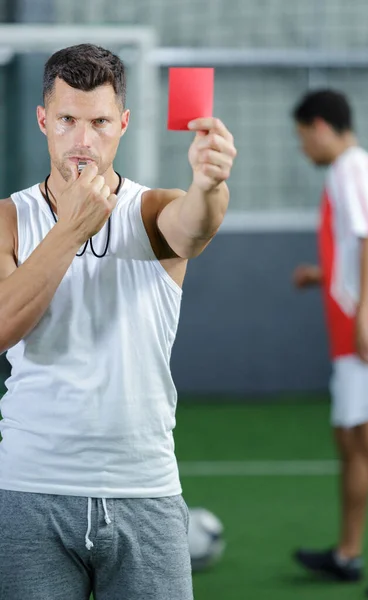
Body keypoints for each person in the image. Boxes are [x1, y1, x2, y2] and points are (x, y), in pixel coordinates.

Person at [0, 44, 236, 600]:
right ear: (43, 121)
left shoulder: (153, 210)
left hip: (144, 490)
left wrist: (210, 184)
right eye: (68, 120)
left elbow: (196, 225)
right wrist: (71, 227)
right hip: (30, 490)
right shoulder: (9, 219)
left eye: (100, 122)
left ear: (123, 124)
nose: (84, 140)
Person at [291, 89, 368, 597]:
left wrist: (364, 317)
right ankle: (348, 555)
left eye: (301, 138)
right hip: (365, 322)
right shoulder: (363, 169)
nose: (302, 149)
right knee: (352, 437)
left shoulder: (349, 169)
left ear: (319, 126)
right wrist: (325, 275)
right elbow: (364, 245)